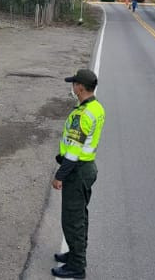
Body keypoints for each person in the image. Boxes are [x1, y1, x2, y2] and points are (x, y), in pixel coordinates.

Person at [51, 69, 105, 279]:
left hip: (77, 171)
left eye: (74, 84)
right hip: (86, 168)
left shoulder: (82, 115)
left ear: (80, 87)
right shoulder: (96, 107)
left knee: (73, 220)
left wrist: (59, 176)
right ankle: (74, 254)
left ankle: (77, 266)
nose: (72, 87)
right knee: (80, 216)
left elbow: (73, 154)